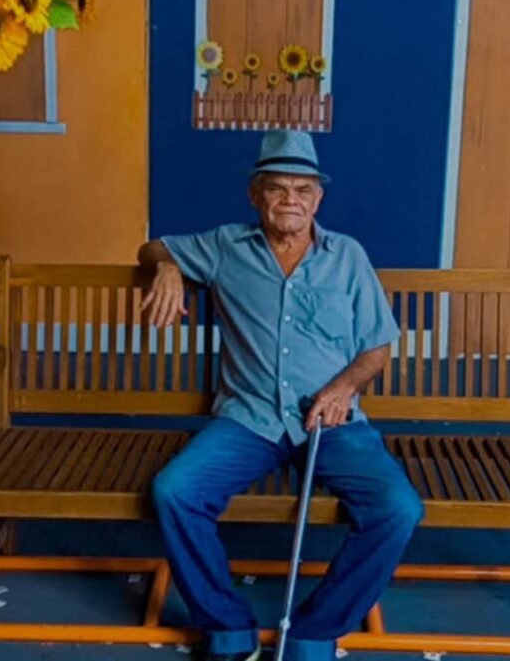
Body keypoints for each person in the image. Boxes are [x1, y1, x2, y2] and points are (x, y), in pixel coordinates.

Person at [138, 130, 424, 661]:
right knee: (176, 491)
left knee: (398, 508)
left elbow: (377, 347)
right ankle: (227, 628)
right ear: (255, 195)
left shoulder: (348, 257)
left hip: (332, 423)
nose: (291, 199)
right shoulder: (226, 247)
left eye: (303, 189)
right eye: (277, 188)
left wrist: (343, 388)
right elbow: (151, 246)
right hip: (249, 420)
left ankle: (315, 631)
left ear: (318, 199)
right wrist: (168, 267)